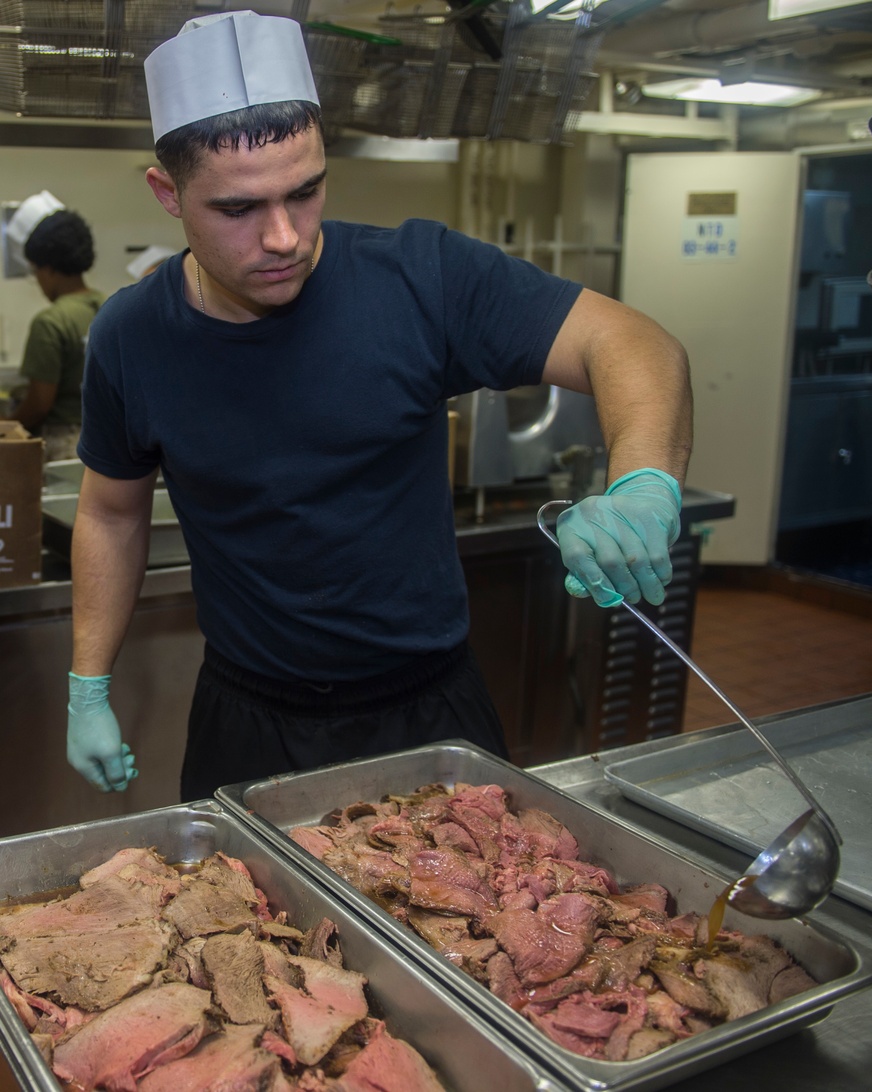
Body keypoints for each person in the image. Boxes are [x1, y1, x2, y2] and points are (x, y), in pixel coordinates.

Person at [66, 10, 693, 799]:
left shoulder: (420, 278)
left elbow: (634, 343)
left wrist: (642, 483)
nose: (286, 237)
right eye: (238, 210)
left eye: (306, 191)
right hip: (247, 720)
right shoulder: (132, 336)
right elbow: (112, 513)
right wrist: (88, 682)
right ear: (169, 193)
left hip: (428, 709)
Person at [3, 193, 104, 462]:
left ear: (47, 269)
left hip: (64, 444)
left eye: (35, 272)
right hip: (110, 440)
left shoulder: (50, 322)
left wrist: (7, 427)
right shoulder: (112, 307)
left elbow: (38, 405)